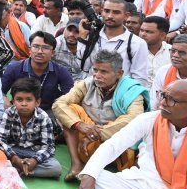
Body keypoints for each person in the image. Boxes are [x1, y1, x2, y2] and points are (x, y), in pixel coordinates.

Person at [54, 49, 150, 181]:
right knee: (71, 109)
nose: (97, 75)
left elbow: (135, 119)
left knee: (128, 119)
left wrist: (96, 133)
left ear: (119, 73)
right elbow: (59, 104)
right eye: (95, 70)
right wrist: (80, 125)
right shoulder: (87, 84)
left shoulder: (132, 91)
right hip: (87, 135)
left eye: (104, 72)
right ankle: (77, 164)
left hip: (115, 143)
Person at [0, 78, 62, 179]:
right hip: (12, 150)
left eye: (29, 100)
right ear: (13, 101)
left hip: (33, 152)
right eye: (19, 100)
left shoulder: (43, 117)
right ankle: (20, 167)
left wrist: (34, 160)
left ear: (37, 102)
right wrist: (15, 158)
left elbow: (49, 147)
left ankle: (17, 168)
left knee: (55, 168)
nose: (24, 104)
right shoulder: (9, 113)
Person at [83, 0, 151, 87]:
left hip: (120, 96)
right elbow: (83, 68)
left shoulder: (137, 43)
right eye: (107, 11)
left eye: (116, 12)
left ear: (126, 16)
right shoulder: (92, 36)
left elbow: (140, 79)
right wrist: (82, 38)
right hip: (91, 93)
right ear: (102, 11)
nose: (110, 16)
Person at [150, 35, 187, 110]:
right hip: (164, 116)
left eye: (182, 52)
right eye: (173, 51)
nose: (175, 55)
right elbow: (154, 103)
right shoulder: (163, 71)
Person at [140, 16, 173, 88]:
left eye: (149, 32)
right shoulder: (132, 50)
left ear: (162, 35)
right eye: (142, 30)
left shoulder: (172, 52)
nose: (143, 34)